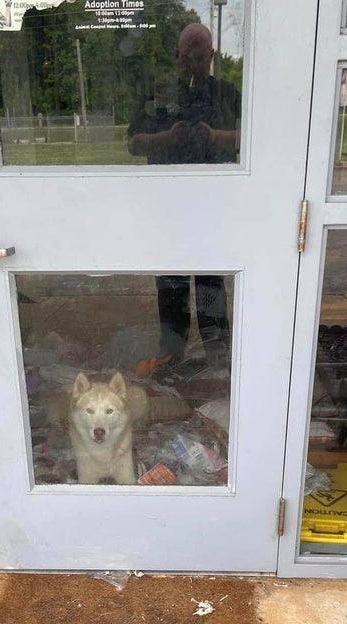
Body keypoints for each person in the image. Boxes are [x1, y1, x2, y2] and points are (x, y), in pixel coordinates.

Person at [128, 23, 240, 376]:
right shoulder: (159, 94)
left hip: (213, 205)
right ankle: (172, 354)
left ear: (212, 57)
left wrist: (215, 136)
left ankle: (218, 357)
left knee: (210, 280)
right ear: (177, 56)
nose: (194, 64)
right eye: (188, 57)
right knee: (171, 282)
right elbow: (133, 143)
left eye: (201, 57)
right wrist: (167, 137)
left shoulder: (226, 94)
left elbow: (253, 137)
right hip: (168, 206)